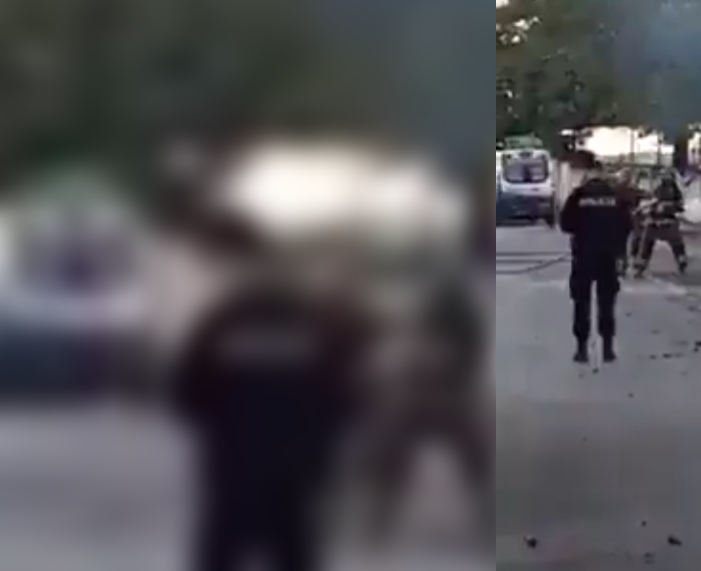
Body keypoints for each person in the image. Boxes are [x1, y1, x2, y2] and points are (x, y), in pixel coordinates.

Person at [169, 217, 375, 571]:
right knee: (295, 551)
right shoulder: (321, 328)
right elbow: (348, 397)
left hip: (233, 465)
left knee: (222, 551)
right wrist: (320, 439)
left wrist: (220, 429)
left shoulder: (222, 322)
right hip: (297, 468)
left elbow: (187, 390)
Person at [356, 267, 489, 540]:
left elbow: (464, 360)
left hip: (447, 395)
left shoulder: (458, 319)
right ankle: (380, 512)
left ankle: (483, 505)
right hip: (422, 396)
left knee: (470, 446)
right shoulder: (420, 319)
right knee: (392, 442)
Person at [558, 161, 633, 363]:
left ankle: (581, 350)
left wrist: (583, 230)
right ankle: (608, 349)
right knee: (607, 303)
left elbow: (565, 224)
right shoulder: (616, 197)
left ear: (589, 174)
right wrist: (618, 247)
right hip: (608, 257)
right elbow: (627, 225)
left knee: (581, 303)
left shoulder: (578, 195)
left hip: (583, 257)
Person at [632, 172, 688, 277]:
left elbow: (650, 204)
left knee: (647, 244)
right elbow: (680, 207)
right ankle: (681, 261)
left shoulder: (659, 190)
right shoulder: (676, 192)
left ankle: (641, 266)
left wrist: (640, 211)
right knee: (677, 244)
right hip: (669, 222)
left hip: (655, 222)